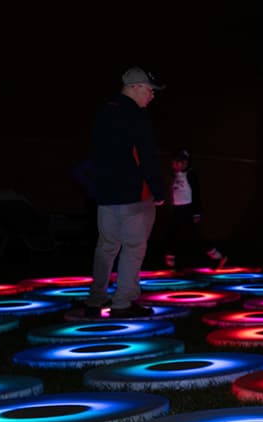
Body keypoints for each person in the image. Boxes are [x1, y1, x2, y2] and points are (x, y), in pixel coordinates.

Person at [84, 67, 167, 318]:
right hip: (133, 193)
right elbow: (146, 155)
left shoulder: (103, 112)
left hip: (106, 194)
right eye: (149, 90)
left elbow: (93, 154)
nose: (152, 96)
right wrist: (158, 190)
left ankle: (96, 299)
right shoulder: (136, 115)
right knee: (134, 247)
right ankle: (123, 302)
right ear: (134, 87)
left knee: (107, 245)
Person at [163, 148, 226, 270]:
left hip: (188, 209)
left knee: (194, 236)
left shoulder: (190, 175)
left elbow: (196, 193)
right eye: (173, 163)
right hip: (177, 209)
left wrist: (196, 212)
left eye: (177, 162)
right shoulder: (174, 176)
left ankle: (217, 257)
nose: (174, 165)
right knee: (171, 233)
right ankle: (170, 262)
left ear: (185, 163)